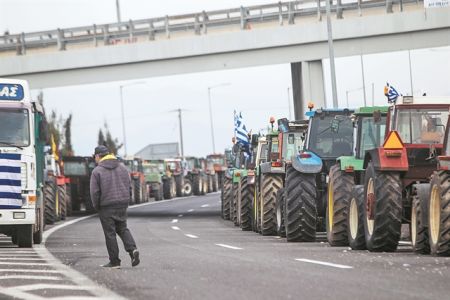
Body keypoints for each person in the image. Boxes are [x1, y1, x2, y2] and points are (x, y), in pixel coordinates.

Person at [90, 145, 140, 269]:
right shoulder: (122, 168)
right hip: (122, 204)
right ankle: (132, 250)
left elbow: (94, 192)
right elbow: (129, 186)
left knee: (110, 233)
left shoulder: (97, 171)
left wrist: (97, 206)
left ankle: (115, 261)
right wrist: (126, 199)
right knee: (123, 228)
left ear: (97, 156)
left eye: (94, 157)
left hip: (106, 206)